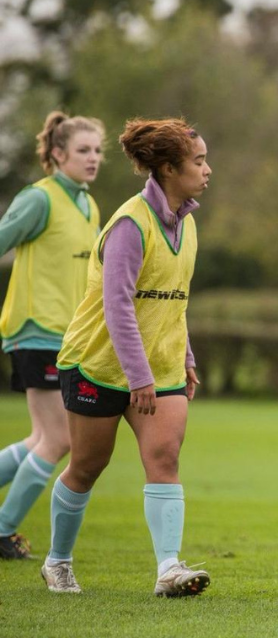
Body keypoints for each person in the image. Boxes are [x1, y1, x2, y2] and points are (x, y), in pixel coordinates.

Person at [42, 117, 210, 596]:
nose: (207, 169)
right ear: (167, 168)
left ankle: (168, 569)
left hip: (161, 367)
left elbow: (174, 297)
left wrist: (186, 355)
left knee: (165, 459)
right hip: (96, 364)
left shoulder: (188, 223)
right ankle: (57, 561)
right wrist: (137, 377)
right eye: (198, 161)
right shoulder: (129, 225)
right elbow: (117, 307)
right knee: (87, 466)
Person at [0, 111, 105, 560]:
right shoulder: (38, 200)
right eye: (83, 150)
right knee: (60, 438)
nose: (93, 158)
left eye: (98, 150)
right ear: (58, 154)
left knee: (39, 439)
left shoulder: (89, 204)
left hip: (70, 339)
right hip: (35, 332)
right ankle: (2, 531)